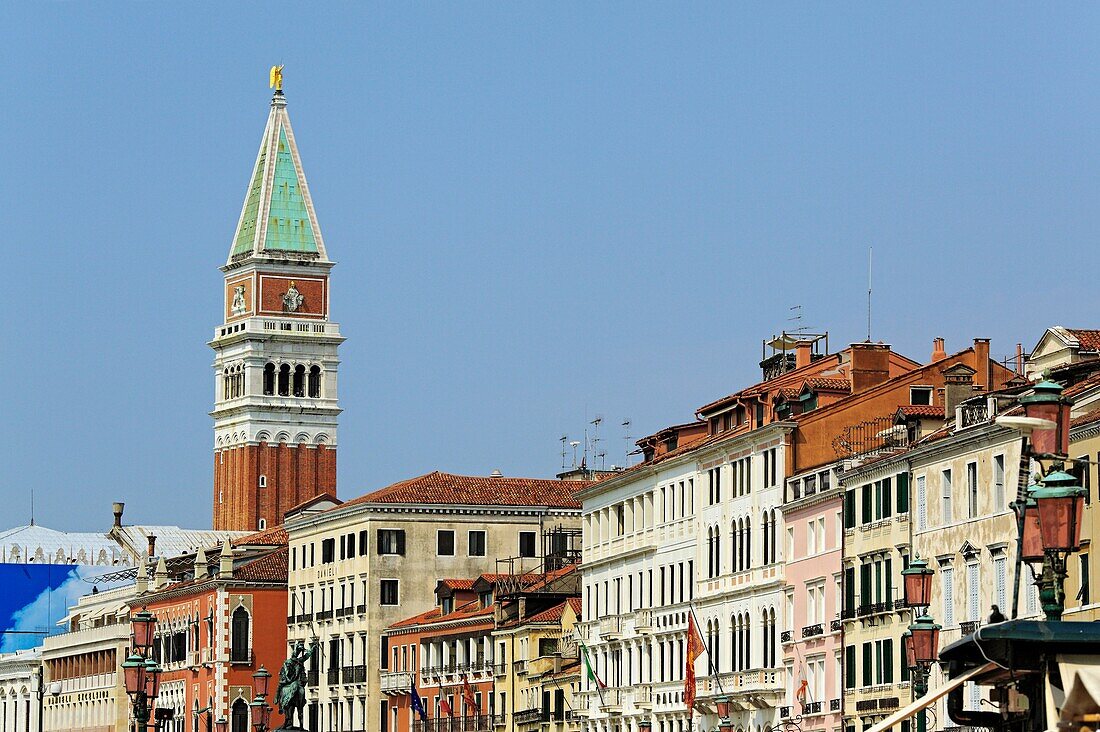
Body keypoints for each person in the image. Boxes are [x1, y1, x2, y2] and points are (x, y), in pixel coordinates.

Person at [276, 639, 317, 729]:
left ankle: (277, 701)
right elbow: (307, 655)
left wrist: (286, 679)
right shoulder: (300, 661)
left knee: (279, 687)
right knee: (300, 707)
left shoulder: (288, 662)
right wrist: (312, 649)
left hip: (289, 681)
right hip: (298, 683)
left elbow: (286, 674)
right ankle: (301, 725)